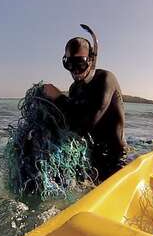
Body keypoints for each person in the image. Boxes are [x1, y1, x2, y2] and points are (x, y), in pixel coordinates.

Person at [43, 24, 127, 182]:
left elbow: (83, 125)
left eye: (80, 63)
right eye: (69, 64)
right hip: (91, 158)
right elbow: (69, 117)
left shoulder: (105, 79)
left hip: (115, 159)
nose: (74, 70)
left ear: (91, 59)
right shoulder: (74, 88)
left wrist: (59, 98)